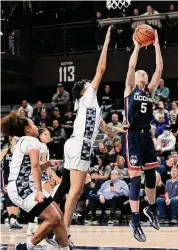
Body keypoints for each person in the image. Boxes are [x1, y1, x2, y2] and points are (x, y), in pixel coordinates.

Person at [48, 26, 127, 246]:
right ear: (83, 90)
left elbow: (103, 128)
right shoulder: (87, 95)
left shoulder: (91, 105)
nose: (89, 83)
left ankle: (50, 225)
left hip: (73, 143)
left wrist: (119, 129)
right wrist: (107, 41)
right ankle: (61, 233)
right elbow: (101, 69)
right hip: (80, 144)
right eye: (86, 83)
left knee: (67, 188)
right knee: (75, 191)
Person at [0, 112, 69, 250]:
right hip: (22, 187)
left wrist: (48, 163)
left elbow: (32, 167)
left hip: (25, 185)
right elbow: (35, 167)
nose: (36, 126)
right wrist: (39, 191)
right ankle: (26, 246)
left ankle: (65, 248)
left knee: (59, 216)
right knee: (54, 218)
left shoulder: (23, 141)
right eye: (33, 124)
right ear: (27, 129)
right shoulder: (31, 141)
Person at [124, 29, 163, 242]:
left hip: (146, 136)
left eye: (144, 73)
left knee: (150, 176)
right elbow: (131, 66)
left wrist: (156, 45)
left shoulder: (150, 91)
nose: (144, 74)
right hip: (133, 137)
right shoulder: (129, 89)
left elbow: (159, 68)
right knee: (135, 179)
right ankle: (135, 220)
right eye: (141, 73)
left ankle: (151, 209)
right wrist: (137, 46)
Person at [1, 136, 23, 230]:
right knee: (9, 196)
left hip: (17, 176)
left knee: (17, 197)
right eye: (13, 138)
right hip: (6, 176)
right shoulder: (6, 150)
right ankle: (11, 218)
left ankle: (13, 219)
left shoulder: (20, 151)